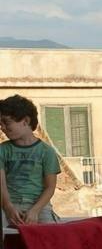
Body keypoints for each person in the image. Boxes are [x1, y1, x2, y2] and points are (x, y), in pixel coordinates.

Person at [0, 95, 61, 227]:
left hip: (39, 205)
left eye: (6, 122)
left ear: (26, 121)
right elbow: (1, 184)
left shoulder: (47, 152)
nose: (2, 127)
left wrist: (35, 210)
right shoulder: (2, 150)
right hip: (8, 204)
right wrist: (8, 207)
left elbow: (50, 187)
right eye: (0, 124)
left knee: (50, 237)